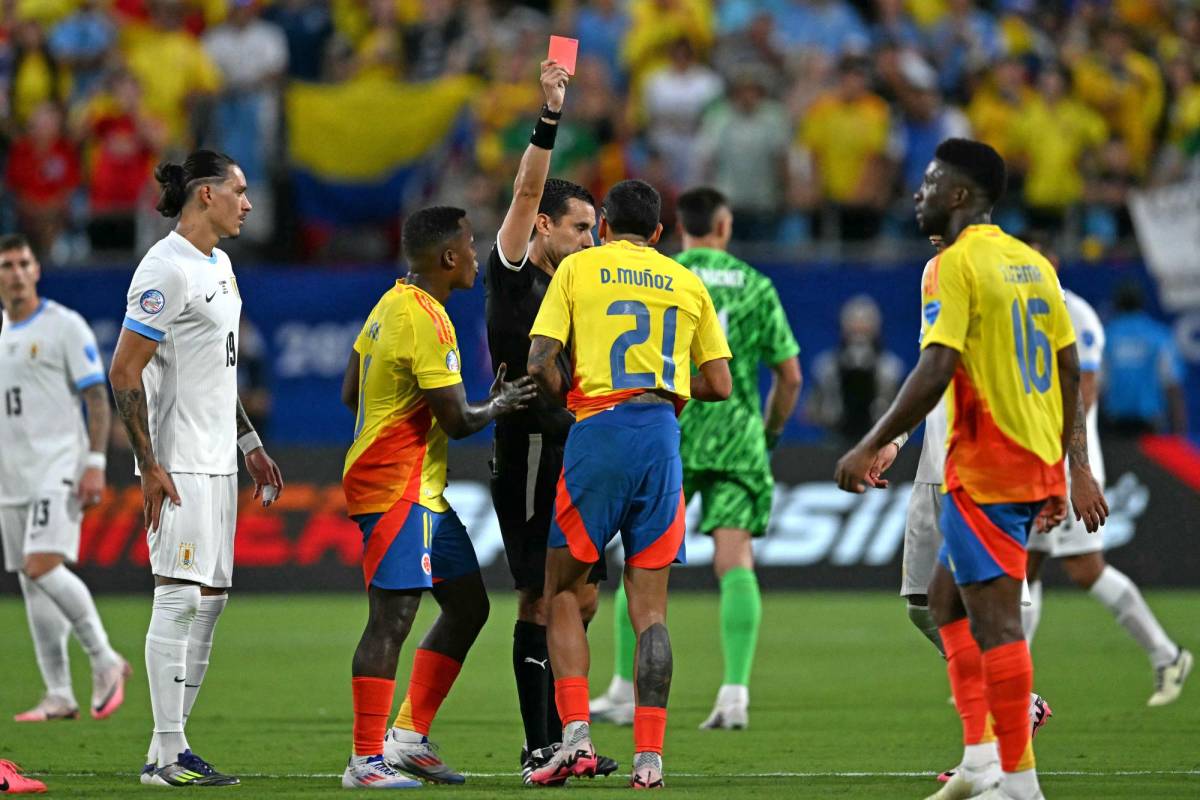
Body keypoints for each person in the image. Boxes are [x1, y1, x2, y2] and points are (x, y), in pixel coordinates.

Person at [835, 138, 1109, 800]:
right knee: (943, 601)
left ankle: (1019, 781)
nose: (917, 194)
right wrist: (1073, 463)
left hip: (986, 464)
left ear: (960, 196)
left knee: (996, 622)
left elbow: (935, 368)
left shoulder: (952, 266)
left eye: (928, 184)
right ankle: (984, 757)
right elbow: (1070, 367)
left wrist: (870, 440)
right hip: (1032, 461)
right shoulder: (1033, 265)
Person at [525, 179, 733, 788]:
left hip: (597, 431)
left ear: (607, 224)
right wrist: (664, 396)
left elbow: (540, 358)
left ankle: (576, 741)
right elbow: (719, 384)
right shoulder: (686, 280)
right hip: (661, 437)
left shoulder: (581, 268)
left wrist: (578, 404)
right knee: (651, 611)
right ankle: (649, 759)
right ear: (660, 233)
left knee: (559, 591)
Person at [339, 206, 538, 789]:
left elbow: (352, 388)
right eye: (471, 246)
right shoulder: (429, 319)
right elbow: (456, 421)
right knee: (392, 619)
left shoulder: (389, 303)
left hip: (416, 486)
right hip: (396, 487)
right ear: (448, 258)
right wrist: (498, 404)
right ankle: (364, 761)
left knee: (469, 605)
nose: (477, 255)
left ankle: (406, 737)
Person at [590, 187, 801, 730]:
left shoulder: (664, 275)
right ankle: (734, 694)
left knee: (642, 562)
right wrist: (769, 433)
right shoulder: (756, 285)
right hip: (736, 437)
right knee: (736, 563)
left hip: (672, 431)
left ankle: (620, 688)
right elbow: (791, 375)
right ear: (725, 227)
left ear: (677, 228)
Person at [109, 150, 285, 787]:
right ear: (205, 195)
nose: (247, 202)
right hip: (178, 461)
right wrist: (148, 466)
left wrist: (249, 444)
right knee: (178, 598)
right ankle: (167, 753)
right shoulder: (165, 268)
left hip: (219, 461)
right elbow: (124, 371)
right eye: (239, 191)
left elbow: (221, 369)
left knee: (209, 603)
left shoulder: (223, 264)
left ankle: (167, 749)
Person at [483, 59, 619, 783]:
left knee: (584, 595)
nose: (590, 240)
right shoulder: (512, 268)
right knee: (538, 594)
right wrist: (550, 114)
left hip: (579, 444)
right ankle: (542, 744)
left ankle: (562, 728)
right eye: (579, 228)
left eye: (596, 229)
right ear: (542, 226)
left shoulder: (585, 282)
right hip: (529, 444)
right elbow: (528, 184)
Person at [1023, 243, 1192, 707]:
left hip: (1068, 462)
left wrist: (1068, 463)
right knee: (1027, 568)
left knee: (1084, 567)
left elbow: (1088, 389)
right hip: (1039, 458)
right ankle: (1014, 682)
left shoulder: (1076, 313)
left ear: (1052, 262)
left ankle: (1166, 653)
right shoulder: (1020, 309)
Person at [0, 233, 131, 724]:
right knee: (32, 583)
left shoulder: (63, 326)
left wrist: (94, 462)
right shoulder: (2, 337)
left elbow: (96, 397)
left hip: (58, 465)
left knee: (41, 565)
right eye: (6, 265)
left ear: (36, 270)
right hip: (10, 478)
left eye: (23, 263)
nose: (15, 272)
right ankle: (59, 693)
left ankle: (105, 660)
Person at [1102, 282, 1188, 436]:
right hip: (1150, 426)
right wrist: (1178, 435)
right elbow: (1172, 387)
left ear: (1117, 303)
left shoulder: (1106, 336)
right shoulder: (1158, 336)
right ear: (1142, 303)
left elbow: (1095, 387)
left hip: (1114, 428)